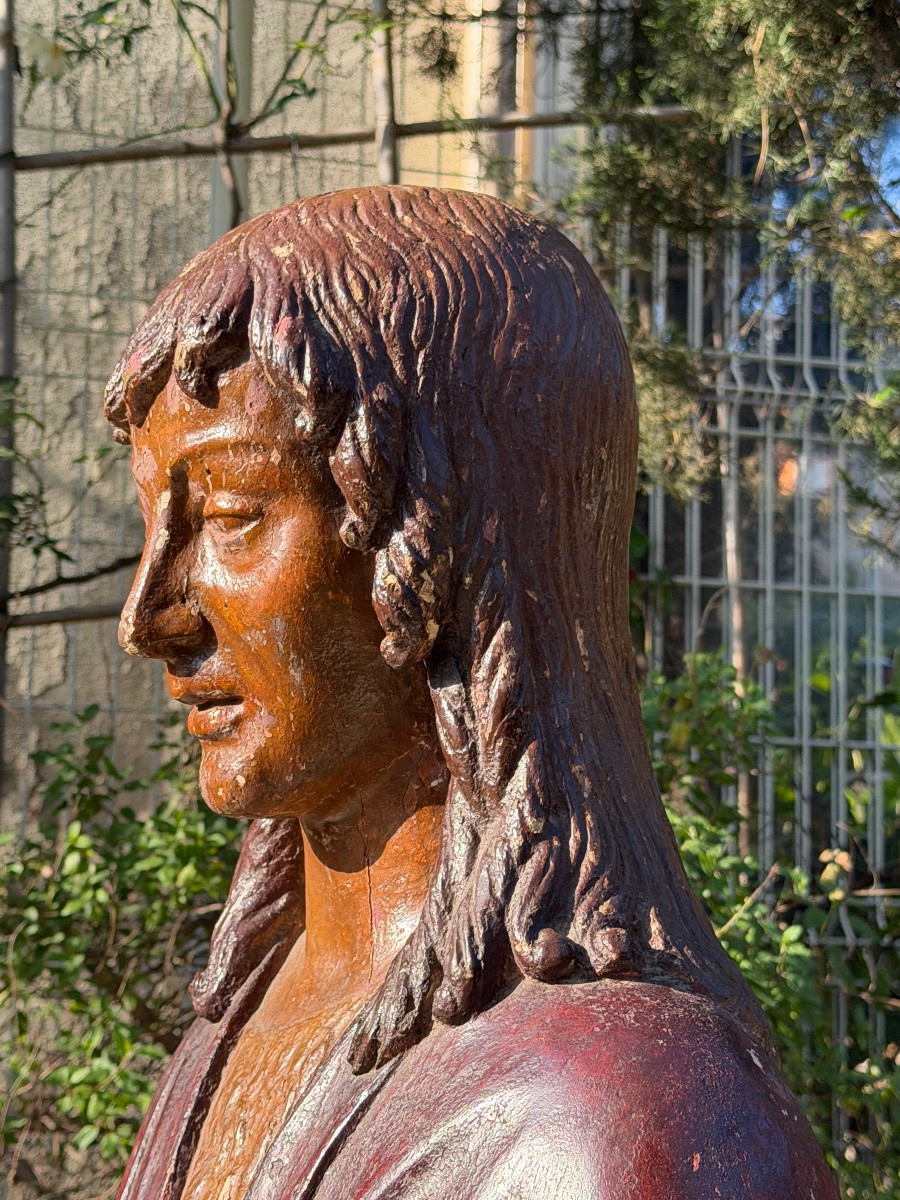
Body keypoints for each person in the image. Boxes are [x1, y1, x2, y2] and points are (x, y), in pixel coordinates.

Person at [106, 186, 838, 1200]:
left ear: (448, 546)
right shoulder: (238, 1018)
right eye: (154, 525)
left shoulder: (619, 1117)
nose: (150, 617)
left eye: (231, 515)